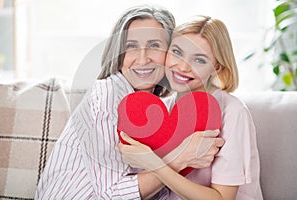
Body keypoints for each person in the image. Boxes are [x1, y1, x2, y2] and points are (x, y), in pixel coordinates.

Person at [35, 6, 224, 199]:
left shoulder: (157, 108)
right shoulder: (107, 95)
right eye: (131, 46)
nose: (143, 59)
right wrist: (180, 157)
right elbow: (111, 193)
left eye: (154, 45)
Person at [119, 15, 263, 199]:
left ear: (216, 67)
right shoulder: (163, 108)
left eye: (199, 60)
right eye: (177, 52)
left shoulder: (233, 112)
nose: (182, 67)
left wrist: (156, 165)